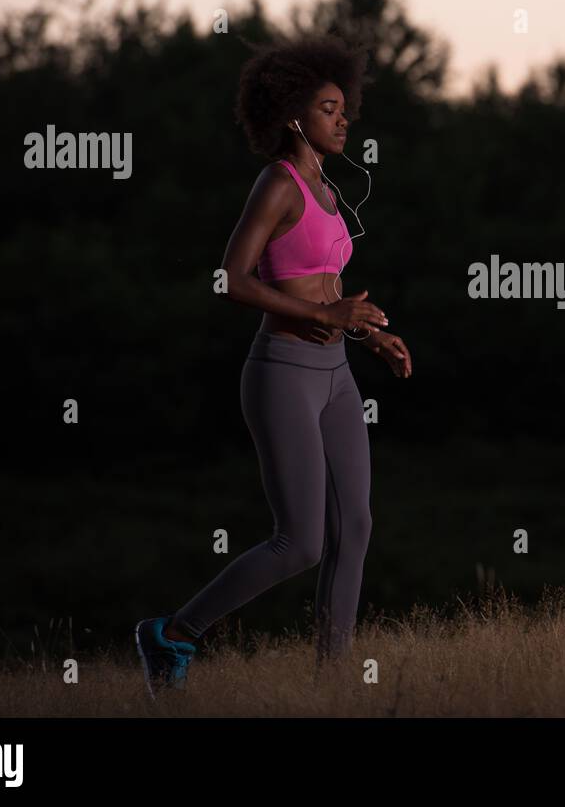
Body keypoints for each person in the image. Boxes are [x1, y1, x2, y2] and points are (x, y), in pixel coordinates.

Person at [135, 35, 412, 698]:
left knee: (357, 525)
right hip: (282, 369)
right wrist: (326, 318)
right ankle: (173, 631)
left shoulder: (326, 187)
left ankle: (333, 681)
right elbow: (227, 279)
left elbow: (328, 288)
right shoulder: (279, 184)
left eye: (346, 107)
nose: (345, 119)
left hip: (336, 372)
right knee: (301, 541)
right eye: (329, 108)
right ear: (294, 116)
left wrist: (370, 332)